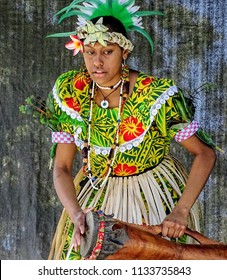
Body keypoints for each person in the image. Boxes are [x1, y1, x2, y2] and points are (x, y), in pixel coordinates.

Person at [38, 1, 218, 259]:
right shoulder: (70, 92)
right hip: (96, 200)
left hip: (152, 196)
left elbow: (205, 154)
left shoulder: (155, 95)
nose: (97, 62)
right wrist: (77, 213)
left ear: (125, 52)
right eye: (90, 52)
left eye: (107, 52)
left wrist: (181, 211)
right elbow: (62, 168)